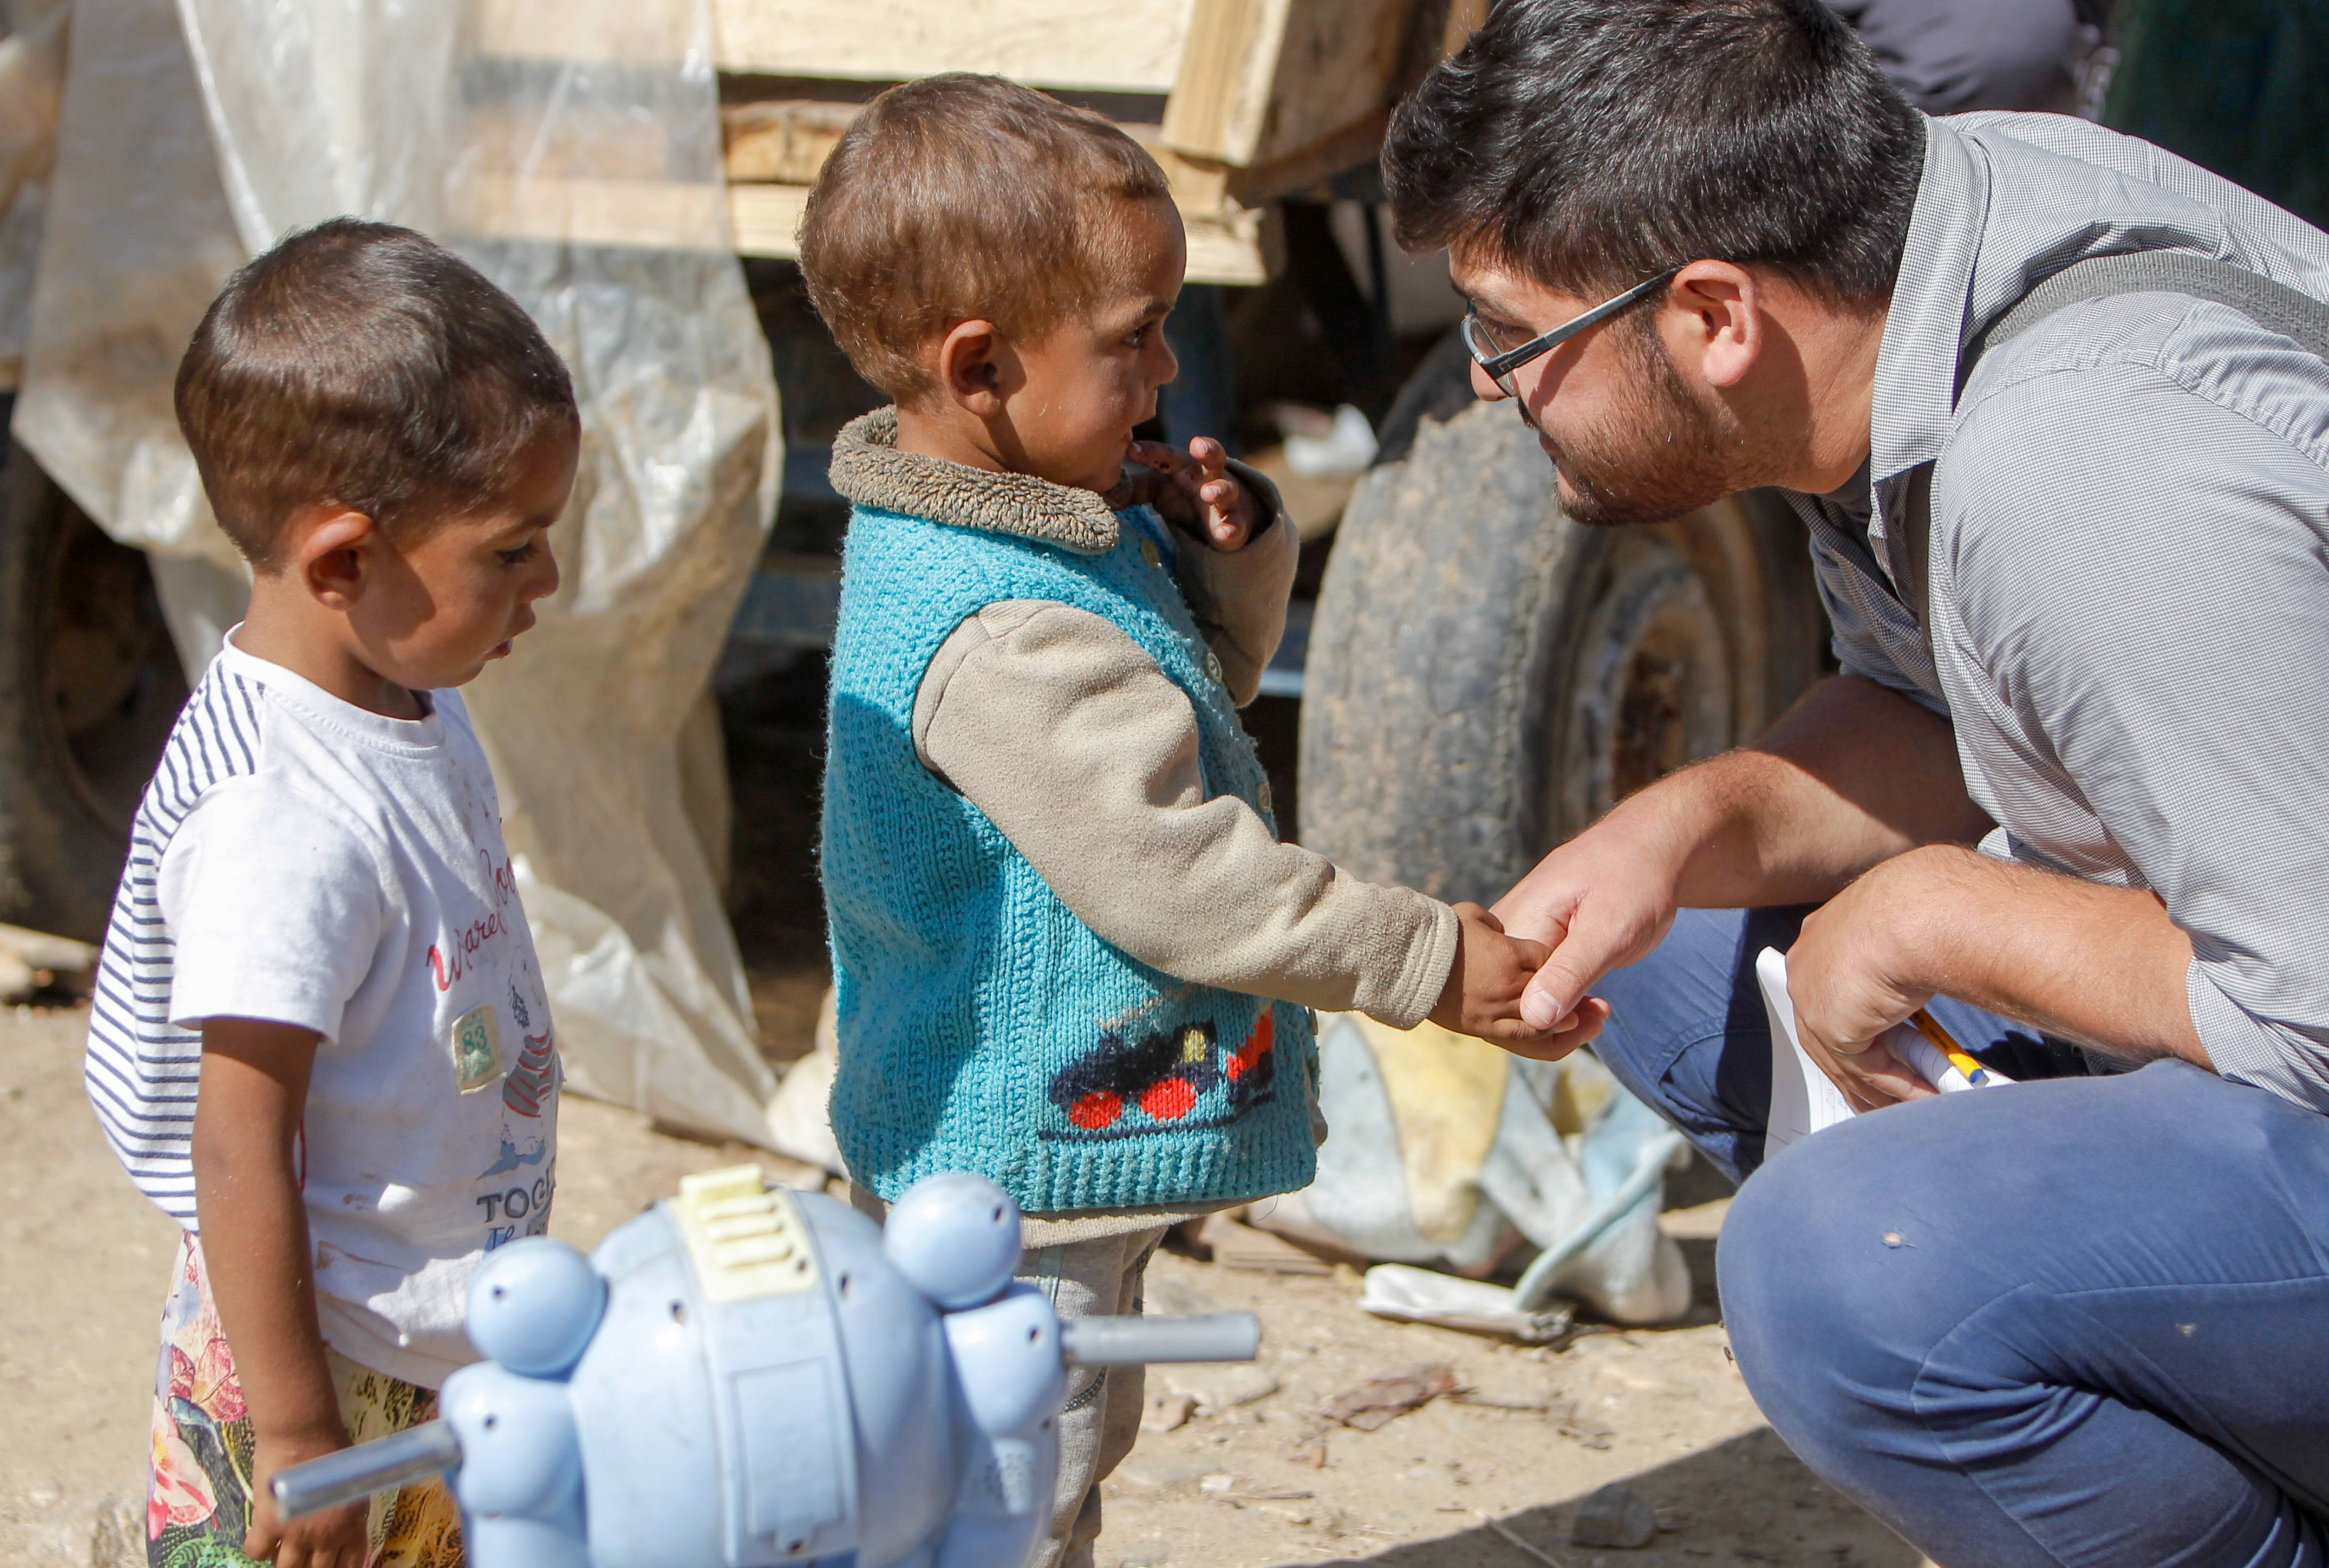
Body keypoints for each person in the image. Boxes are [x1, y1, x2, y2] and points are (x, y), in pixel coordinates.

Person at [1382, 2, 2329, 1564]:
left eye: (1511, 334)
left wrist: (1940, 912)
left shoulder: (2090, 472)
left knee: (1848, 1268)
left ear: (1710, 317)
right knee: (1681, 954)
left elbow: (2310, 1005)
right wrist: (1679, 825)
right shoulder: (1910, 268)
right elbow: (1944, 712)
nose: (1490, 384)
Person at [798, 74, 1555, 1567]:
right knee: (1013, 1485)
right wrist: (1425, 963)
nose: (1162, 373)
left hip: (1035, 1141)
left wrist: (1229, 563)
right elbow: (1184, 879)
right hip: (1018, 1167)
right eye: (1130, 336)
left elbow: (1179, 710)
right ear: (980, 365)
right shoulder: (1004, 626)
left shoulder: (1026, 534)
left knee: (1036, 1467)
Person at [86, 218, 575, 1568]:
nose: (546, 581)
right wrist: (300, 1439)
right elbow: (238, 1140)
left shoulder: (402, 692)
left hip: (425, 1337)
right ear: (344, 561)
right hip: (317, 1367)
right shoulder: (280, 822)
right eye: (514, 548)